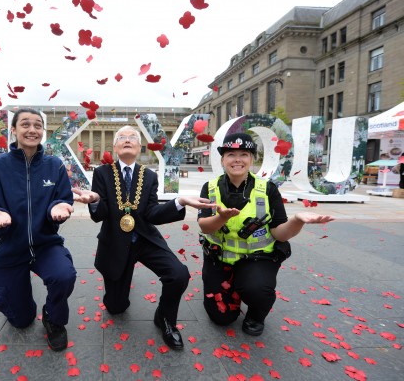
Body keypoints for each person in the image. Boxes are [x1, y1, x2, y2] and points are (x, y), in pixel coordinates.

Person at [73, 125, 214, 350]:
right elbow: (99, 216)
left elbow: (151, 213)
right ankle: (119, 283)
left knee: (178, 275)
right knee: (116, 307)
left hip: (144, 239)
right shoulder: (102, 173)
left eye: (133, 137)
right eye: (122, 137)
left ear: (139, 147)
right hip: (116, 242)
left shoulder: (148, 175)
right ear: (116, 146)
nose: (127, 140)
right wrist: (95, 201)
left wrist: (180, 202)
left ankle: (166, 319)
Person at [197, 133, 334, 336]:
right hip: (220, 257)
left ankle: (255, 313)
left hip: (257, 258)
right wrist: (222, 218)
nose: (237, 160)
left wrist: (297, 220)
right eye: (231, 154)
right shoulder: (209, 188)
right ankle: (233, 287)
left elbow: (280, 234)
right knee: (221, 318)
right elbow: (205, 227)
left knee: (257, 290)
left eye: (244, 154)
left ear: (252, 159)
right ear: (222, 159)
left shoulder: (268, 189)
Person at [0, 108, 76, 352]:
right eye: (26, 124)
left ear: (43, 131)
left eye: (38, 125)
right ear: (14, 130)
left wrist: (59, 206)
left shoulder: (55, 166)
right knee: (21, 320)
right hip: (8, 246)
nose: (32, 130)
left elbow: (63, 199)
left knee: (64, 276)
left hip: (45, 243)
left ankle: (53, 317)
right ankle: (18, 302)